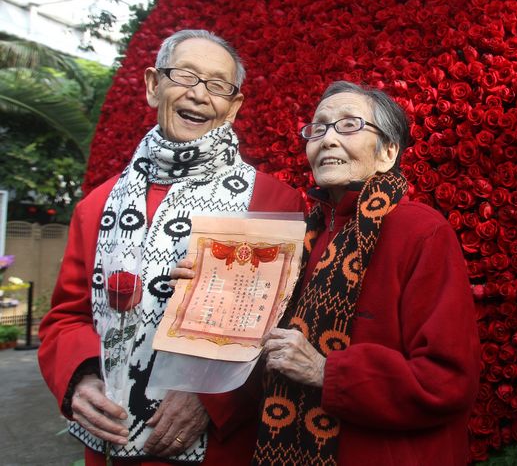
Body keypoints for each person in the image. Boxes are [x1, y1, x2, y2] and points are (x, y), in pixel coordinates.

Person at [38, 29, 304, 466]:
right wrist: (81, 379)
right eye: (185, 76)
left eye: (218, 85)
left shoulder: (272, 201)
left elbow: (287, 326)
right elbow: (67, 317)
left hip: (218, 445)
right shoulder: (97, 205)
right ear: (152, 85)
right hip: (111, 434)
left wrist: (211, 396)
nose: (200, 95)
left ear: (233, 107)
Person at [181, 81, 479, 465]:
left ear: (388, 152)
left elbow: (448, 379)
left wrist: (326, 370)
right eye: (318, 128)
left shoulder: (421, 231)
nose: (328, 139)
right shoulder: (302, 238)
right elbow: (258, 349)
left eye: (349, 125)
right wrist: (207, 292)